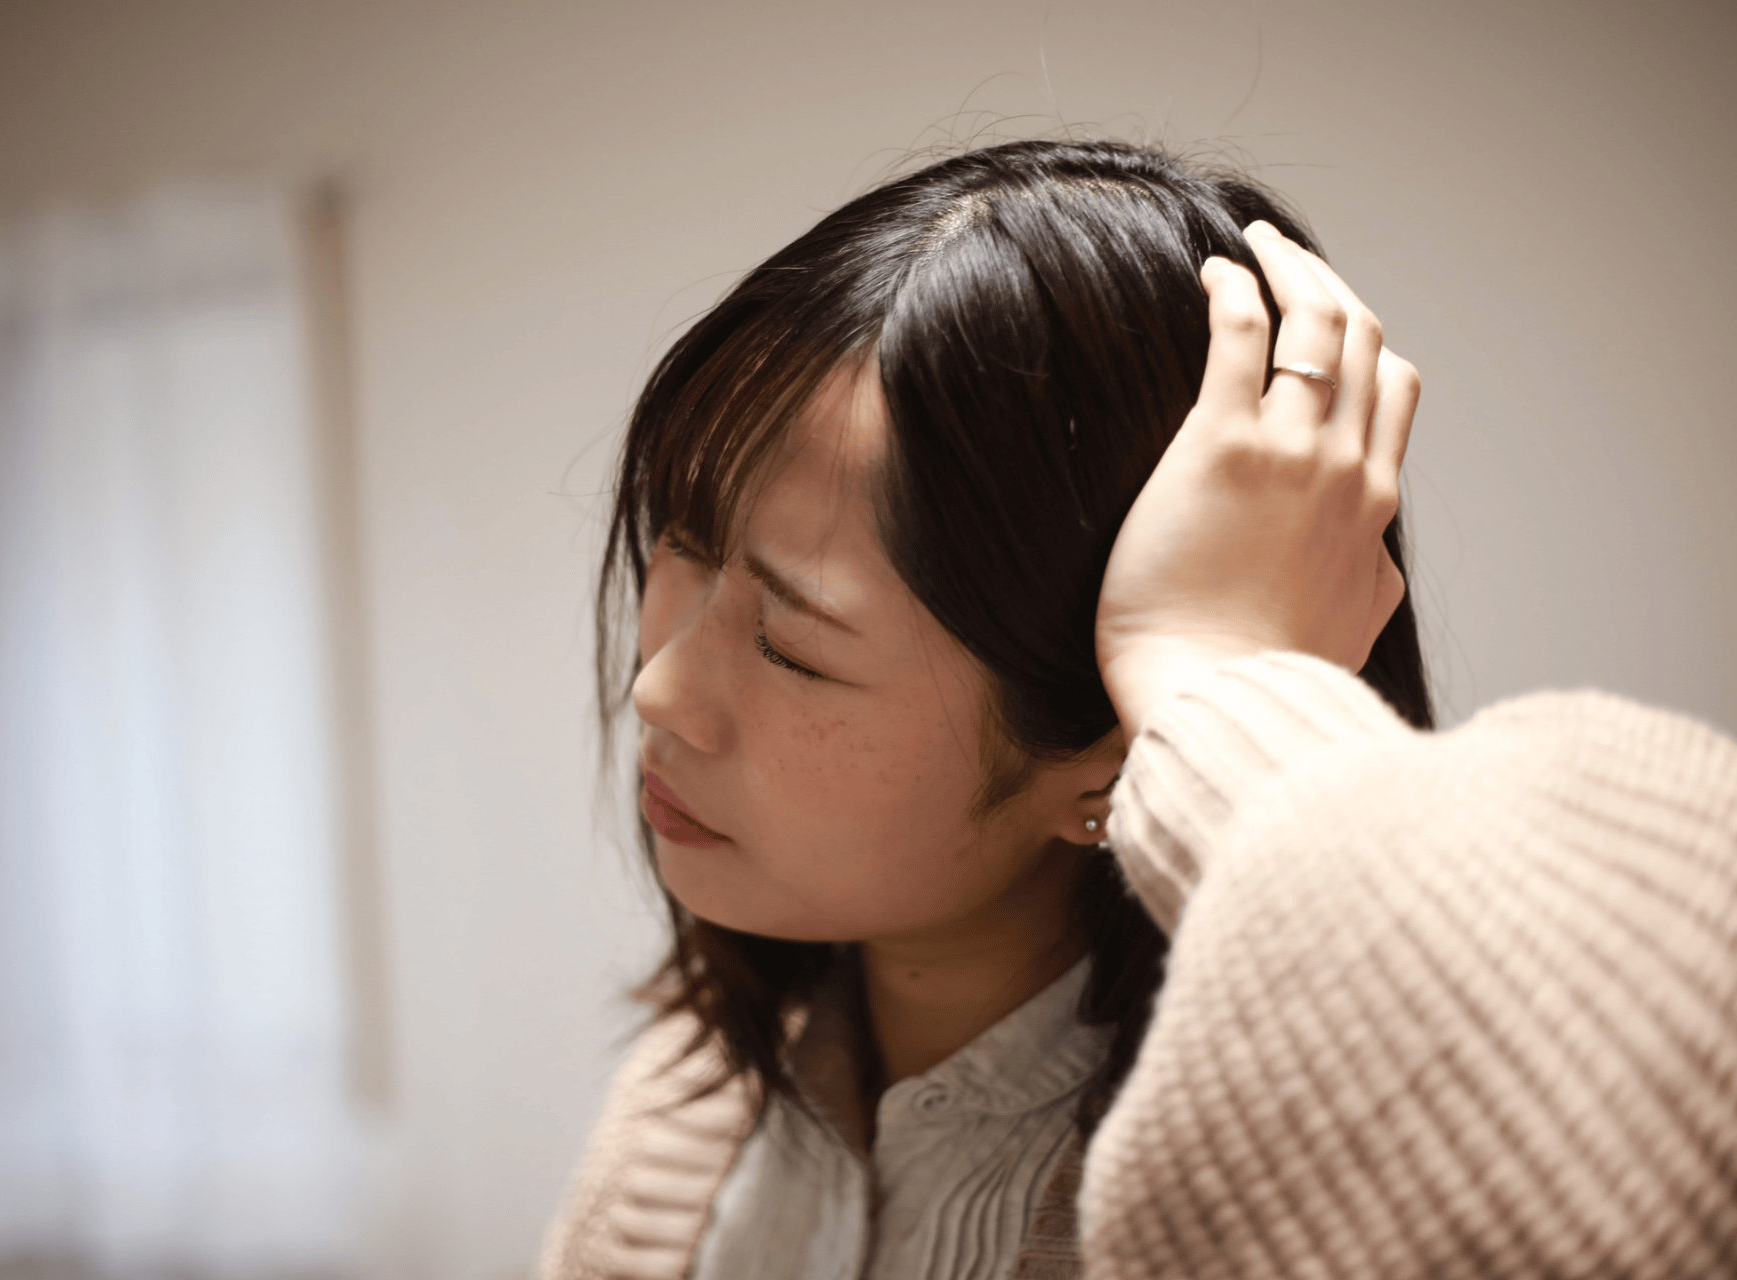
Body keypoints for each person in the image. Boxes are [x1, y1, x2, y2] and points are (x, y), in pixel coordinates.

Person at [539, 139, 1737, 1279]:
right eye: (681, 542)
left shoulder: (1291, 1186)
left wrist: (1210, 678)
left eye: (793, 646)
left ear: (1107, 759)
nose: (660, 688)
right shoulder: (694, 1105)